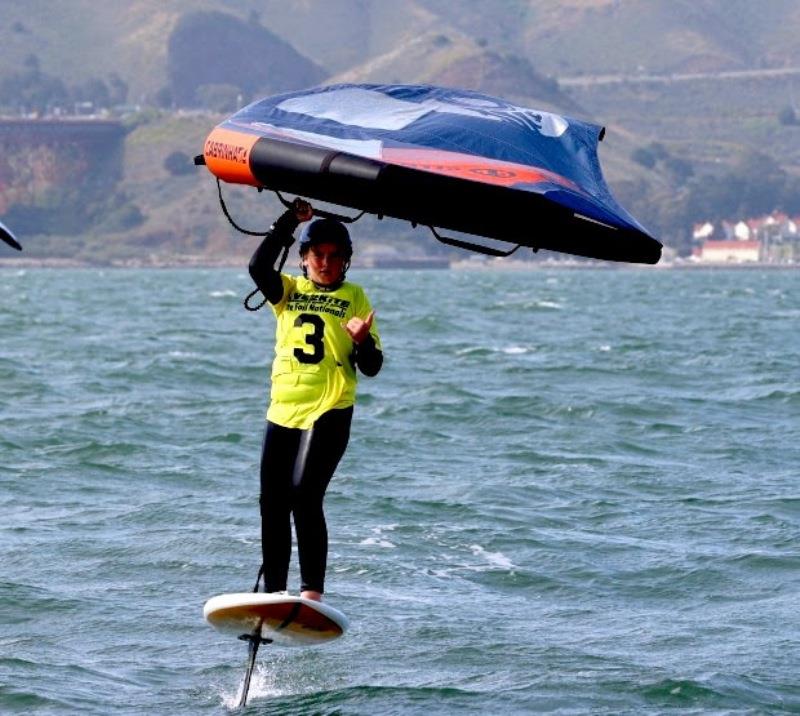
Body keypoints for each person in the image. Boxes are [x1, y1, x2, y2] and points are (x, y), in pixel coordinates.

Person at [248, 198, 383, 602]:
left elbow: (373, 366)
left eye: (333, 256)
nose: (325, 262)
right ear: (303, 259)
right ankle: (274, 592)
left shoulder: (355, 297)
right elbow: (258, 269)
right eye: (317, 255)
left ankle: (311, 593)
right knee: (272, 502)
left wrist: (361, 341)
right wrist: (289, 221)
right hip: (283, 410)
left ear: (345, 262)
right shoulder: (288, 292)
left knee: (304, 494)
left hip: (330, 407)